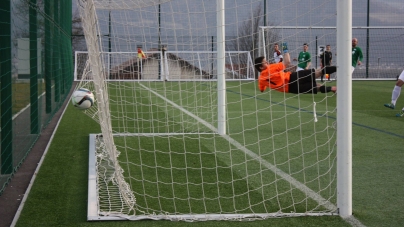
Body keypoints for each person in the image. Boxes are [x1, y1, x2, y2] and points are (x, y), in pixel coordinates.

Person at [255, 43, 336, 94]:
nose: (267, 63)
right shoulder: (270, 68)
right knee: (318, 72)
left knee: (315, 87)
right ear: (261, 67)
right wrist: (285, 49)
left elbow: (262, 89)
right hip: (292, 77)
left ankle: (333, 89)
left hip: (291, 89)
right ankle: (338, 68)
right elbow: (287, 62)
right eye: (265, 62)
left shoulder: (261, 79)